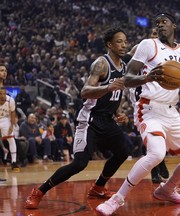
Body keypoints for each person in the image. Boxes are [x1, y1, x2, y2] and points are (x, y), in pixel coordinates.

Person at [96, 12, 180, 215]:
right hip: (148, 109)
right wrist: (147, 78)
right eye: (157, 23)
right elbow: (128, 78)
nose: (160, 25)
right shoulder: (147, 45)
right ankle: (117, 199)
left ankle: (166, 190)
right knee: (157, 154)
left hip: (171, 112)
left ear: (174, 26)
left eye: (164, 22)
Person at [24, 27, 132, 209]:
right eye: (119, 41)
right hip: (89, 120)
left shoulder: (124, 65)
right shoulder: (101, 64)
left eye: (125, 41)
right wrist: (107, 88)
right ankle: (39, 191)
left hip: (107, 119)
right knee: (80, 163)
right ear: (109, 44)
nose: (124, 45)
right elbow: (84, 92)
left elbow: (118, 92)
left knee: (125, 149)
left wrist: (117, 112)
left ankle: (98, 187)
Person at [123, 27, 169, 184]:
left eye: (158, 34)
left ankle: (160, 160)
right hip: (139, 89)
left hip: (158, 93)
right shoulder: (141, 47)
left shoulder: (167, 51)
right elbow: (124, 61)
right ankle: (156, 169)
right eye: (154, 33)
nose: (155, 36)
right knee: (148, 133)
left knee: (159, 132)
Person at [0, 87, 20, 172]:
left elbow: (13, 112)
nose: (2, 95)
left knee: (11, 139)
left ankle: (14, 162)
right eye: (0, 94)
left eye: (4, 93)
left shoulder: (10, 100)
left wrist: (11, 125)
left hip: (5, 119)